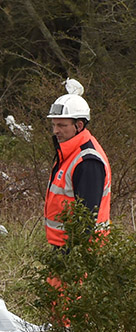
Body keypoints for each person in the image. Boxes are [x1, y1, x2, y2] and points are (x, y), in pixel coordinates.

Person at [45, 79, 110, 249]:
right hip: (64, 248)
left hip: (79, 253)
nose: (55, 131)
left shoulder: (88, 161)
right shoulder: (69, 152)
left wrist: (74, 256)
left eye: (61, 125)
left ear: (79, 125)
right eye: (53, 125)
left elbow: (87, 217)